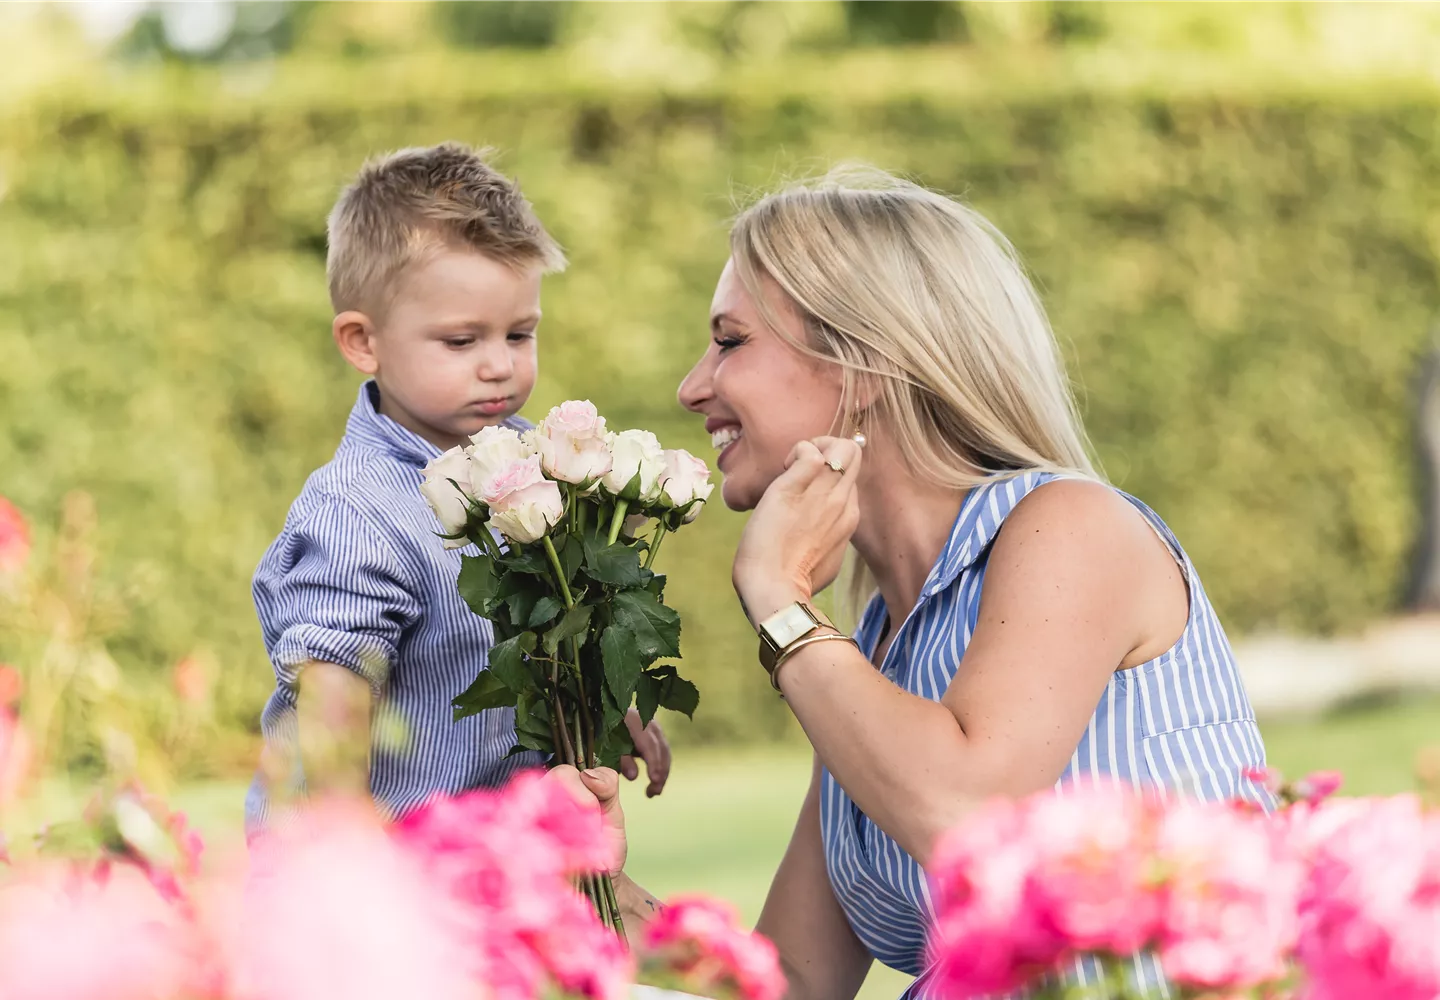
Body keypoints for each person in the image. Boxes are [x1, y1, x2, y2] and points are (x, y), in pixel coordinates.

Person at [553, 166, 1271, 998]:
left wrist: (781, 600)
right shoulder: (871, 652)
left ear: (861, 364)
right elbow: (787, 981)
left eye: (730, 341)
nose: (692, 386)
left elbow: (967, 819)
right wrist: (594, 890)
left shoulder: (1069, 529)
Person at [246, 143, 669, 836]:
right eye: (461, 341)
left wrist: (608, 709)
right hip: (393, 874)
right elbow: (331, 732)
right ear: (362, 341)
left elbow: (548, 630)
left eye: (520, 333)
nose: (499, 365)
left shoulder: (536, 462)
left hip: (505, 859)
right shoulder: (358, 516)